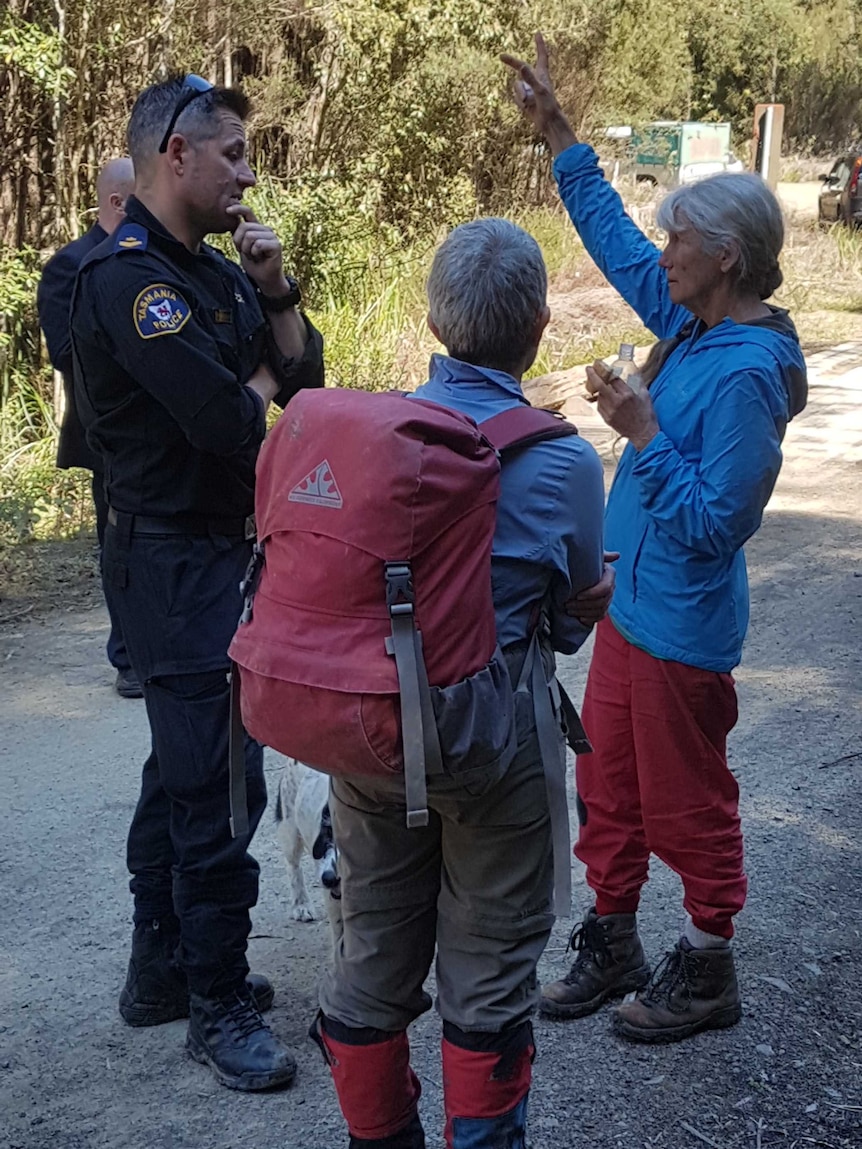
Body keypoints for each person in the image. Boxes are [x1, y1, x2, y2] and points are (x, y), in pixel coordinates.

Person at [503, 36, 808, 1042]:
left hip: (681, 624)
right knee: (612, 788)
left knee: (687, 802)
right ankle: (614, 935)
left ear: (724, 257)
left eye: (679, 241)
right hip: (630, 606)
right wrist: (559, 138)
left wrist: (640, 430)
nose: (661, 253)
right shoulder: (692, 323)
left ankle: (709, 962)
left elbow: (721, 524)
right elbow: (615, 245)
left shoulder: (747, 370)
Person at [310, 217, 606, 1149]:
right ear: (540, 327)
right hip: (494, 742)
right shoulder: (561, 458)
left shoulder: (371, 429)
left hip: (372, 733)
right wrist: (576, 609)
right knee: (485, 975)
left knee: (371, 956)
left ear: (437, 322)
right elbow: (560, 621)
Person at [70, 74, 324, 1090]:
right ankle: (215, 998)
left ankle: (159, 967)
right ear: (175, 153)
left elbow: (300, 381)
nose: (248, 174)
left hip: (222, 548)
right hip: (169, 557)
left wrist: (275, 295)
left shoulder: (218, 278)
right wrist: (252, 391)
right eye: (232, 153)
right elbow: (229, 426)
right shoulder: (126, 282)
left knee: (180, 763)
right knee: (223, 778)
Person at [37, 157, 142, 699]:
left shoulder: (155, 260)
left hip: (161, 437)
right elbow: (65, 351)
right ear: (120, 202)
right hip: (105, 435)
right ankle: (127, 658)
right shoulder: (69, 266)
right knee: (118, 544)